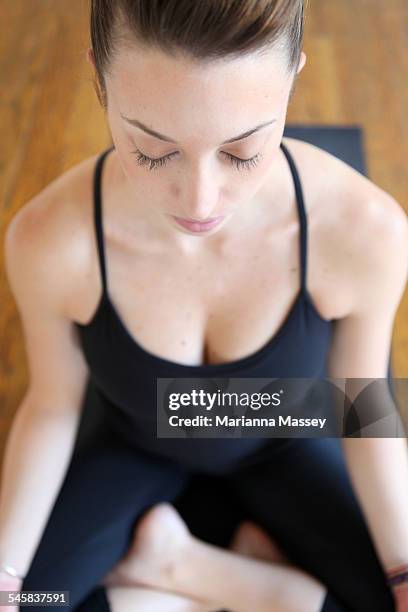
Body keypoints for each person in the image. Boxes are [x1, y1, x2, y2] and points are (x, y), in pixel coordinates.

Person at [1, 0, 408, 610]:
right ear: (98, 79)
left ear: (294, 73)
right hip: (135, 444)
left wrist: (404, 573)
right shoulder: (50, 241)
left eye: (242, 151)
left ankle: (206, 575)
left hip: (286, 439)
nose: (200, 200)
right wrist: (6, 577)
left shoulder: (363, 229)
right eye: (152, 149)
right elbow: (54, 405)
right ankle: (245, 579)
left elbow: (361, 400)